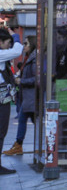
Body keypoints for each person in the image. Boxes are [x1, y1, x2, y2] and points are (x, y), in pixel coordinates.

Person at [4, 36, 36, 157]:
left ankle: (19, 144)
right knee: (27, 119)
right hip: (27, 97)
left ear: (32, 44)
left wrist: (21, 81)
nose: (24, 46)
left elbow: (37, 79)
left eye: (26, 43)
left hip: (31, 96)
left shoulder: (34, 59)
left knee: (27, 119)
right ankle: (18, 145)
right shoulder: (28, 58)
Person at [0, 29, 25, 176]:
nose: (9, 46)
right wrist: (16, 36)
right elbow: (17, 51)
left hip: (3, 97)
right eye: (7, 43)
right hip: (1, 98)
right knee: (1, 131)